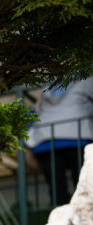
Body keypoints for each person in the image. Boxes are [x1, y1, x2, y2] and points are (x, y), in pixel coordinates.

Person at [26, 78, 93, 206]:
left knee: (57, 189)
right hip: (76, 137)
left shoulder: (49, 83)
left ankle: (59, 221)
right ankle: (85, 220)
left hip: (44, 141)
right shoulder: (86, 78)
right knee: (83, 185)